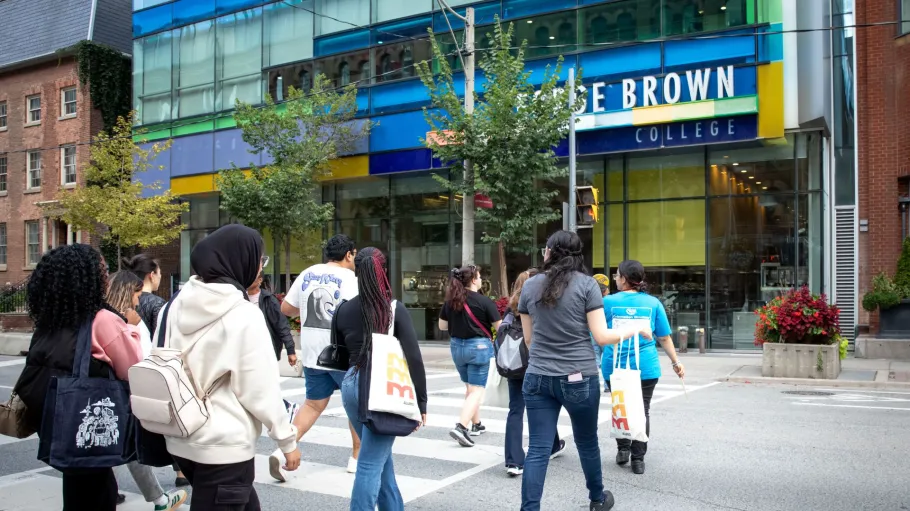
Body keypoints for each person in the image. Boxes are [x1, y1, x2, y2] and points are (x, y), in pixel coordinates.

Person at [162, 224, 301, 511]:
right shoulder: (244, 315)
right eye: (257, 259)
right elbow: (260, 389)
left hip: (182, 438)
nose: (259, 267)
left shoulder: (175, 306)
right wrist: (287, 441)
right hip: (224, 446)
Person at [518, 231, 652, 511]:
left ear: (551, 252)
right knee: (587, 442)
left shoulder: (530, 286)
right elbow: (601, 337)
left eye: (545, 248)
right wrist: (637, 327)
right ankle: (597, 499)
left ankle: (529, 508)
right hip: (579, 377)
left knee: (538, 449)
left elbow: (529, 340)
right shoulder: (587, 286)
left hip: (538, 377)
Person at [14, 245, 146, 510]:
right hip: (90, 427)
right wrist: (131, 327)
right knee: (98, 494)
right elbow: (133, 368)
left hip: (59, 426)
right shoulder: (103, 320)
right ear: (88, 278)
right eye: (103, 271)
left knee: (76, 494)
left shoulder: (51, 320)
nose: (107, 277)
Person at [335, 247, 428, 511]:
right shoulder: (392, 308)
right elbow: (414, 358)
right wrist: (421, 403)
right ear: (382, 271)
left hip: (351, 384)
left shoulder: (343, 310)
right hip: (379, 387)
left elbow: (341, 355)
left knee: (379, 457)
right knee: (370, 463)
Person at [274, 234, 361, 479]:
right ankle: (356, 456)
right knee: (354, 403)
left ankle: (284, 449)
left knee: (312, 404)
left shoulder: (308, 273)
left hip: (313, 353)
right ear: (349, 254)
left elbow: (286, 308)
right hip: (342, 352)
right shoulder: (351, 278)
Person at [106, 271, 188, 511]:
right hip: (123, 389)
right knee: (129, 445)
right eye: (137, 294)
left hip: (110, 390)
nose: (138, 301)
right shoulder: (122, 320)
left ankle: (151, 497)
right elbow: (137, 356)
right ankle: (160, 499)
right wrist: (132, 327)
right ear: (126, 292)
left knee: (115, 444)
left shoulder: (100, 315)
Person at [602, 260, 685, 475]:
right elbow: (664, 337)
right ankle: (638, 459)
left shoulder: (607, 302)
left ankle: (623, 450)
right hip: (645, 367)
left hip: (615, 365)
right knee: (642, 410)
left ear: (624, 279)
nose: (615, 279)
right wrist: (676, 363)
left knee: (620, 406)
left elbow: (598, 334)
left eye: (617, 275)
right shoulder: (653, 303)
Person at [123, 253, 190, 488]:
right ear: (152, 275)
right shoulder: (159, 306)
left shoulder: (124, 302)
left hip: (131, 370)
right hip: (156, 368)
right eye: (159, 272)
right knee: (169, 419)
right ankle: (181, 470)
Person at [503, 269, 566, 477]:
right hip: (537, 361)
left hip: (515, 363)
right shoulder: (541, 302)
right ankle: (552, 446)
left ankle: (513, 460)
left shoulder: (511, 307)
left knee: (516, 409)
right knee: (545, 404)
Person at [439, 265, 501, 447]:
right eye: (480, 277)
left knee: (470, 387)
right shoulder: (484, 302)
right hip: (479, 348)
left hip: (457, 347)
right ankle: (461, 427)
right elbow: (500, 328)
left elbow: (442, 327)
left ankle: (476, 424)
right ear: (473, 279)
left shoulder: (451, 301)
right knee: (477, 390)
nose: (481, 280)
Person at [248, 270, 300, 418]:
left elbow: (281, 324)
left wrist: (291, 350)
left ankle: (285, 407)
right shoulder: (239, 296)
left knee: (264, 384)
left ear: (259, 280)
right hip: (245, 349)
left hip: (265, 349)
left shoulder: (267, 299)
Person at [592, 274, 611, 393]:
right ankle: (607, 385)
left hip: (593, 333)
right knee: (607, 358)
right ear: (605, 290)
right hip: (606, 333)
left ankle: (593, 384)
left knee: (595, 361)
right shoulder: (608, 301)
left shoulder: (590, 300)